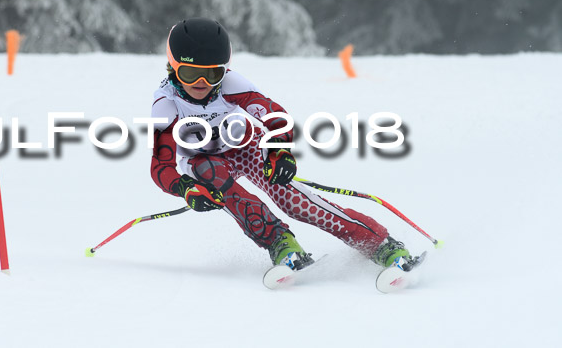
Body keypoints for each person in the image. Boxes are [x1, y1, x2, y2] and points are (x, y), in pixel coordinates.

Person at [150, 17, 413, 271]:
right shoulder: (166, 104)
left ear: (225, 70)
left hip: (243, 146)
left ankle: (379, 244)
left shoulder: (230, 85)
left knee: (293, 200)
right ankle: (281, 243)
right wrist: (185, 188)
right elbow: (160, 166)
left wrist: (279, 151)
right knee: (220, 182)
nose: (202, 84)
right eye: (191, 73)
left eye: (213, 74)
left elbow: (277, 117)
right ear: (173, 67)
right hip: (201, 161)